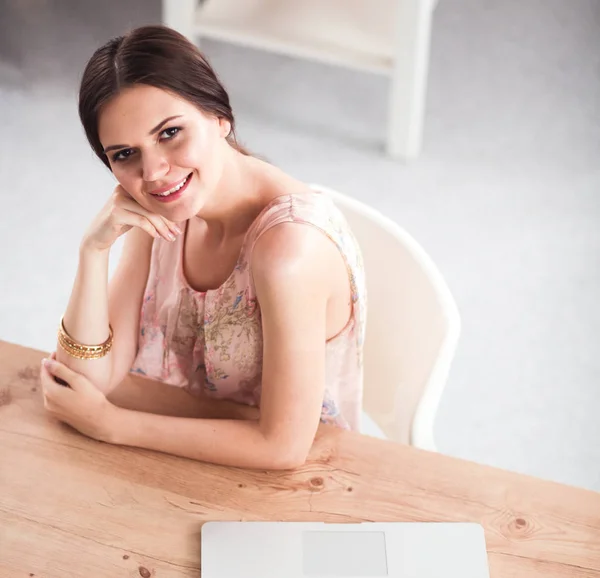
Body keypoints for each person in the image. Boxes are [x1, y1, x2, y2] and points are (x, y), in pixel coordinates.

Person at [39, 25, 366, 470]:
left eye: (170, 132)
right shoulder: (161, 209)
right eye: (124, 154)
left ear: (219, 117)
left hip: (298, 482)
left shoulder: (287, 250)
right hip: (186, 447)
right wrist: (93, 252)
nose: (154, 172)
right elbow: (84, 379)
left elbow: (283, 447)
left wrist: (113, 425)